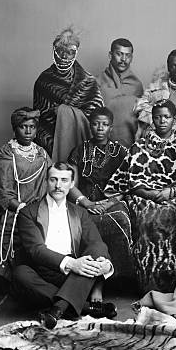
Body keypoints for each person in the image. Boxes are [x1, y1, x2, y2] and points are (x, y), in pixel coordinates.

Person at [107, 99, 176, 294]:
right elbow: (132, 180)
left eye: (166, 117)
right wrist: (149, 193)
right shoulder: (140, 146)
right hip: (145, 195)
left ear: (174, 119)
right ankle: (149, 282)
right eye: (157, 117)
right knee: (148, 217)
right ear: (152, 119)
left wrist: (171, 192)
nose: (162, 121)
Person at [12, 162, 117, 330]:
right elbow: (36, 250)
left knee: (98, 249)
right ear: (46, 181)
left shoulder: (80, 212)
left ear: (72, 184)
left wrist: (105, 264)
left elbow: (96, 243)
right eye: (53, 180)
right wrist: (71, 264)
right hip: (44, 272)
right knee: (20, 274)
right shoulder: (28, 213)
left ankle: (58, 309)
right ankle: (86, 307)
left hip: (76, 276)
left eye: (64, 180)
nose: (58, 185)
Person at [0, 107, 53, 290]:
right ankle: (3, 277)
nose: (28, 131)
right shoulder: (6, 153)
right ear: (15, 128)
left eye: (32, 127)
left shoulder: (41, 153)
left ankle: (26, 278)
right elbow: (3, 192)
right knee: (3, 282)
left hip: (36, 209)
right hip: (11, 210)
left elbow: (53, 178)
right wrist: (22, 209)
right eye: (23, 126)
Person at [67, 107, 132, 278]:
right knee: (78, 225)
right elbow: (70, 183)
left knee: (121, 220)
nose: (100, 128)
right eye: (95, 124)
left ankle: (116, 277)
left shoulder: (121, 152)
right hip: (83, 202)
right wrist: (86, 203)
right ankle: (90, 278)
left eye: (105, 124)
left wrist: (108, 203)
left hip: (112, 202)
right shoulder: (79, 150)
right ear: (90, 126)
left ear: (111, 127)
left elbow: (126, 185)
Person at [34, 27, 104, 162]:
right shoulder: (43, 81)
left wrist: (63, 111)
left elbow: (98, 117)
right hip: (49, 145)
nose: (64, 57)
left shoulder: (87, 81)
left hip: (81, 146)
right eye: (60, 51)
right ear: (54, 51)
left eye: (70, 52)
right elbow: (39, 119)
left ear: (76, 53)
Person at [96, 38, 144, 147]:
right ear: (110, 55)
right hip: (102, 141)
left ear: (131, 58)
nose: (123, 59)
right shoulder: (98, 82)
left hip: (129, 145)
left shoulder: (136, 85)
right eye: (119, 54)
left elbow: (141, 117)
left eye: (127, 55)